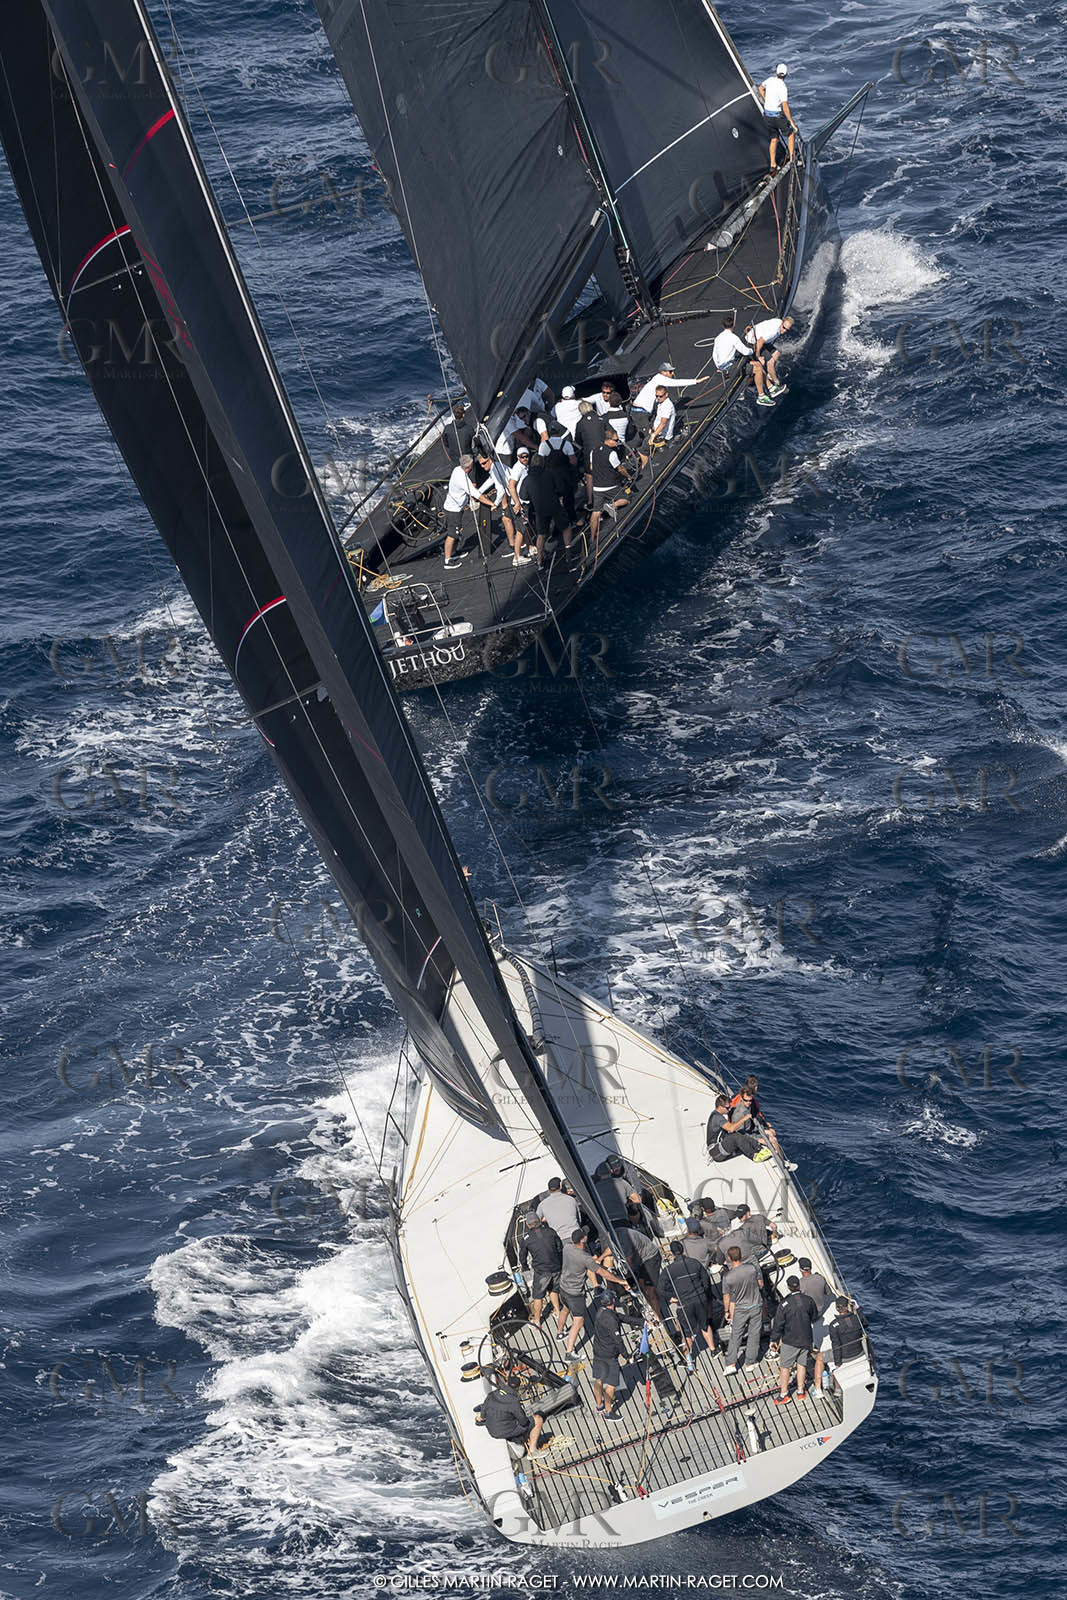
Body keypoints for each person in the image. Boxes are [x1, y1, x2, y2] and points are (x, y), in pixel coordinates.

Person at [557, 1227, 626, 1356]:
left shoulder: (567, 1248)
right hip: (575, 1293)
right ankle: (569, 1352)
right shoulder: (585, 1258)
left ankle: (560, 1332)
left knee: (565, 1309)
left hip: (563, 1288)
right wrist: (620, 1281)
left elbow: (582, 1261)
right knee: (579, 1320)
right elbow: (603, 1273)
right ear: (583, 1240)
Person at [591, 1292, 644, 1419]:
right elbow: (618, 1341)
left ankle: (599, 1406)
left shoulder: (602, 1312)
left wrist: (642, 1321)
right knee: (612, 1384)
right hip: (609, 1355)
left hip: (598, 1351)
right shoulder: (610, 1320)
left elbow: (621, 1317)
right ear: (613, 1301)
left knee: (598, 1379)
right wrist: (627, 1356)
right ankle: (609, 1412)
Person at [770, 1274, 819, 1403]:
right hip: (806, 1338)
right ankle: (801, 1392)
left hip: (790, 1340)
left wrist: (774, 1340)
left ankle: (784, 1394)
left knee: (785, 1367)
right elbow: (814, 1316)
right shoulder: (808, 1300)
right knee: (802, 1364)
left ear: (788, 1287)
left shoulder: (784, 1304)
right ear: (799, 1285)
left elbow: (778, 1324)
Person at [663, 1240, 713, 1367]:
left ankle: (689, 1360)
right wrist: (704, 1293)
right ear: (683, 1250)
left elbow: (660, 1288)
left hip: (684, 1304)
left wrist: (672, 1298)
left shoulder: (669, 1270)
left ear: (672, 1253)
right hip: (699, 1299)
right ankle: (713, 1349)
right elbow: (706, 1279)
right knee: (705, 1324)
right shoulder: (694, 1263)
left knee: (686, 1332)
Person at [442, 454, 495, 569]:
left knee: (457, 531)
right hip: (453, 510)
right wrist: (491, 503)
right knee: (452, 534)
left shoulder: (457, 470)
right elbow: (477, 495)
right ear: (469, 466)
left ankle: (453, 553)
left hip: (457, 507)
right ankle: (447, 560)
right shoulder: (462, 479)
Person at [524, 454, 575, 569]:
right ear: (542, 463)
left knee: (541, 535)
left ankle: (539, 562)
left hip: (539, 510)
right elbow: (561, 487)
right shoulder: (549, 473)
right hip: (554, 506)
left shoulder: (527, 479)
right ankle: (569, 556)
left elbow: (523, 496)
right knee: (566, 527)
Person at [712, 314, 773, 404]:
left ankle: (770, 387)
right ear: (733, 325)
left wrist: (719, 367)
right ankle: (761, 396)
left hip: (722, 367)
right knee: (758, 369)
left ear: (723, 325)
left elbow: (714, 355)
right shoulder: (733, 337)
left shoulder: (717, 338)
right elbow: (745, 352)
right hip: (731, 367)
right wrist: (753, 350)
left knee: (757, 364)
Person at [481, 1372, 547, 1454]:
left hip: (491, 1430)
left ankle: (524, 1440)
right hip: (504, 1432)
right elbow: (523, 1422)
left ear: (506, 1383)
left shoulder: (492, 1395)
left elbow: (482, 1415)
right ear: (518, 1388)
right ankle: (532, 1450)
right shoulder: (513, 1401)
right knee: (538, 1420)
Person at [720, 1245, 763, 1373]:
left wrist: (727, 1311)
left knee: (735, 1336)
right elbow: (760, 1284)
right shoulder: (751, 1268)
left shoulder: (728, 1277)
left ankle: (731, 1364)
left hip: (740, 1309)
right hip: (755, 1305)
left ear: (729, 1258)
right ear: (741, 1256)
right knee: (754, 1335)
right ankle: (750, 1363)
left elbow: (726, 1297)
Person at [517, 1212, 562, 1329]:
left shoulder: (526, 1239)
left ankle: (537, 1321)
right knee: (553, 1289)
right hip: (556, 1267)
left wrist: (525, 1266)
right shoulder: (550, 1231)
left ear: (527, 1224)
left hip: (542, 1271)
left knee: (538, 1296)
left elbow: (522, 1256)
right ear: (540, 1221)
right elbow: (559, 1247)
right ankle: (558, 1311)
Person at [728, 1076, 788, 1162]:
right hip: (747, 1134)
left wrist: (765, 1127)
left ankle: (779, 1157)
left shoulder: (747, 1103)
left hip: (750, 1129)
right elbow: (741, 1133)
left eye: (750, 1101)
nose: (749, 1102)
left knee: (772, 1133)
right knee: (773, 1139)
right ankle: (782, 1163)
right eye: (746, 1100)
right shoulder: (740, 1112)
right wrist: (759, 1138)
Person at [588, 427, 631, 544]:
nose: (617, 442)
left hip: (597, 487)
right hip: (611, 486)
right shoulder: (611, 453)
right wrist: (628, 477)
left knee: (595, 512)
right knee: (627, 500)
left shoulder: (594, 451)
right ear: (609, 440)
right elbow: (620, 468)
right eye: (616, 440)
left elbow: (591, 467)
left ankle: (592, 538)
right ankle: (612, 505)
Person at [615, 1214, 663, 1318]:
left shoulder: (623, 1238)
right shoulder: (614, 1236)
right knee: (641, 1286)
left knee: (650, 1290)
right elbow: (609, 1250)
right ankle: (650, 1305)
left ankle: (657, 1316)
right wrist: (600, 1258)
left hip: (650, 1257)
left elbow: (629, 1262)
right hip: (640, 1261)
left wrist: (630, 1281)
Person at [706, 1092, 769, 1162]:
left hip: (720, 1146)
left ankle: (758, 1148)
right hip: (716, 1153)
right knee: (736, 1136)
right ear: (720, 1107)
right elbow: (731, 1128)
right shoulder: (717, 1117)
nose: (729, 1109)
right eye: (727, 1108)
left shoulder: (717, 1115)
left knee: (740, 1133)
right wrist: (744, 1119)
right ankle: (754, 1156)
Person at [758, 64, 797, 173]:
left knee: (774, 139)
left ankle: (773, 165)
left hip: (767, 116)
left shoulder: (770, 80)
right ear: (786, 75)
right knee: (790, 134)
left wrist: (766, 101)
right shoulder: (783, 87)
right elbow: (785, 107)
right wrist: (792, 123)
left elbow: (760, 88)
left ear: (776, 73)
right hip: (777, 116)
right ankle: (792, 159)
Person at [474, 449, 513, 559]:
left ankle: (514, 546)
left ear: (490, 460)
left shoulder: (495, 469)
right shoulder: (494, 467)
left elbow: (500, 490)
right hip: (511, 492)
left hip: (514, 493)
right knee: (507, 518)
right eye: (480, 464)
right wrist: (478, 492)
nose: (482, 466)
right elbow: (491, 480)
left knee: (506, 519)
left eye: (484, 463)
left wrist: (495, 504)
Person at [745, 316, 793, 397]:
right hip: (752, 343)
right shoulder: (773, 331)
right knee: (770, 361)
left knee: (776, 353)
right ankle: (776, 385)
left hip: (762, 341)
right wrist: (758, 356)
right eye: (783, 327)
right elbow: (759, 342)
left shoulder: (779, 323)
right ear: (782, 322)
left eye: (787, 330)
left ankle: (770, 374)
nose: (784, 331)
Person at [631, 363, 699, 418]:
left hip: (642, 410)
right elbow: (677, 382)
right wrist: (696, 381)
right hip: (641, 411)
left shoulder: (659, 380)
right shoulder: (660, 379)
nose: (672, 373)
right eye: (670, 371)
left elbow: (662, 399)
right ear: (663, 372)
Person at [593, 1154, 641, 1223]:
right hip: (619, 1218)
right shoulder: (622, 1183)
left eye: (618, 1166)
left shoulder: (627, 1170)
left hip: (608, 1219)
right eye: (614, 1168)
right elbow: (637, 1199)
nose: (617, 1169)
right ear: (610, 1170)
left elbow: (638, 1197)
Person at [574, 400, 606, 505]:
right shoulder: (601, 419)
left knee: (589, 475)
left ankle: (590, 501)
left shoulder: (580, 424)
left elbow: (578, 440)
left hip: (589, 452)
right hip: (603, 450)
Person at [505, 447, 533, 563]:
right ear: (517, 457)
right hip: (519, 503)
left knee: (526, 526)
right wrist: (517, 503)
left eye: (526, 456)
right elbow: (511, 485)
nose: (525, 458)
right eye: (522, 456)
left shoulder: (525, 467)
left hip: (525, 502)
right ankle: (516, 557)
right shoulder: (518, 469)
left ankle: (530, 547)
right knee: (520, 530)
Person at [538, 1176, 581, 1241]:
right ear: (561, 1187)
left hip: (560, 1238)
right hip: (577, 1235)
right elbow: (579, 1219)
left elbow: (536, 1221)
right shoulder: (571, 1199)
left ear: (549, 1190)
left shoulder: (542, 1205)